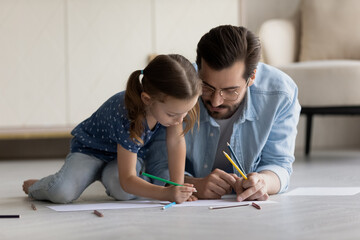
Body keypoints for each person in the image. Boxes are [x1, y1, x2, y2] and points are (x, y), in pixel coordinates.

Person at [144, 25, 301, 202]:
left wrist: (263, 182)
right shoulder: (179, 90)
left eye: (230, 91)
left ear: (252, 78)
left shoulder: (281, 94)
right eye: (207, 87)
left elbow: (279, 164)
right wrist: (192, 185)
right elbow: (156, 163)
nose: (216, 101)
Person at [22, 54, 201, 204]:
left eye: (185, 112)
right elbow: (128, 180)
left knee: (123, 192)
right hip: (90, 152)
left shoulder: (173, 110)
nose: (180, 120)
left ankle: (106, 176)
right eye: (172, 114)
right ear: (147, 99)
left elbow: (176, 141)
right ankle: (40, 185)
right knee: (62, 192)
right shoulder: (129, 114)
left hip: (123, 157)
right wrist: (166, 193)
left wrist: (178, 188)